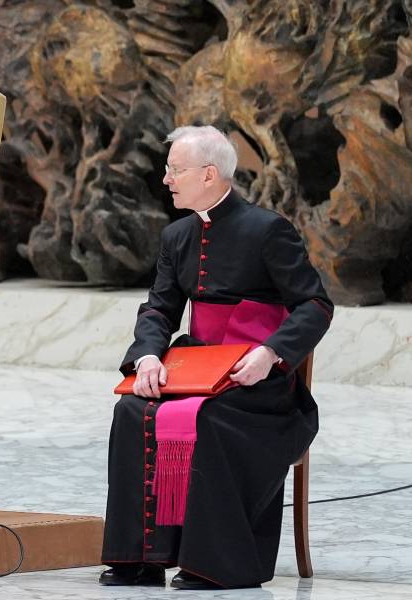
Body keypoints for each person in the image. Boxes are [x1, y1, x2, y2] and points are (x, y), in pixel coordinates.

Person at [99, 125, 333, 589]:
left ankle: (215, 564)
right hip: (196, 369)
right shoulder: (177, 235)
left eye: (175, 170)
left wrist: (272, 354)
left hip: (257, 383)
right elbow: (160, 308)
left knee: (213, 418)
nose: (165, 179)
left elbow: (315, 305)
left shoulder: (269, 230)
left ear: (209, 174)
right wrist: (146, 357)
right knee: (131, 410)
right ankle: (140, 559)